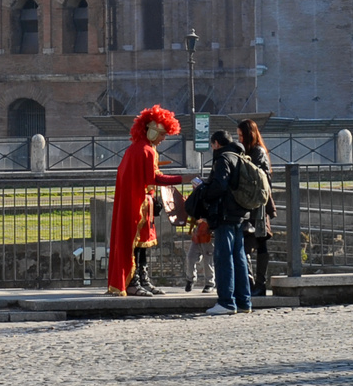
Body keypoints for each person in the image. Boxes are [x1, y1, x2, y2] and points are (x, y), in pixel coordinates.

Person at [106, 106, 185, 296]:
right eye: (162, 134)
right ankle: (134, 282)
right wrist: (183, 178)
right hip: (137, 205)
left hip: (140, 204)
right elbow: (154, 179)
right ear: (151, 130)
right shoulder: (147, 151)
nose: (163, 138)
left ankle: (141, 280)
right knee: (136, 246)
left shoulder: (136, 150)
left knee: (141, 245)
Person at [191, 129, 251, 315]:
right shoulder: (240, 156)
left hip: (225, 214)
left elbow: (220, 185)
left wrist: (202, 189)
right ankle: (244, 302)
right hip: (240, 213)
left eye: (212, 145)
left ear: (216, 143)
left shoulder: (223, 159)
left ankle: (226, 302)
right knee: (239, 258)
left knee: (223, 258)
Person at [238, 118, 277, 297]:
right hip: (253, 204)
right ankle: (254, 283)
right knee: (254, 244)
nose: (239, 139)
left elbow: (258, 177)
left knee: (252, 244)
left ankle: (256, 283)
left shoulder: (257, 151)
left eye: (241, 135)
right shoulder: (252, 151)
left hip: (257, 206)